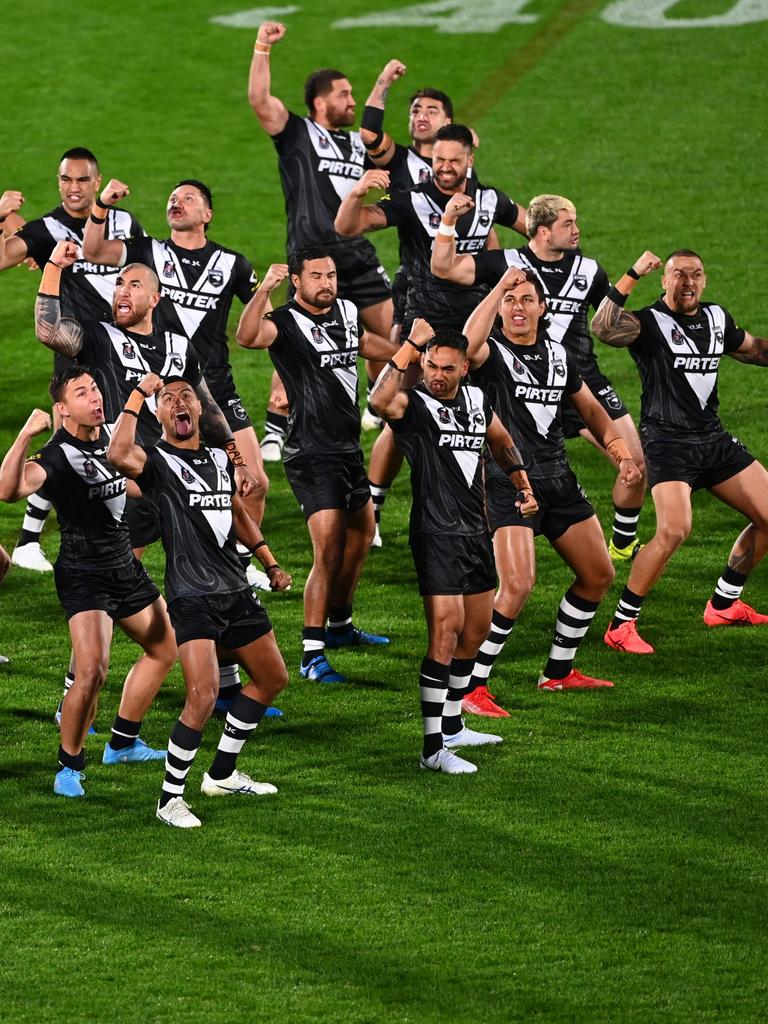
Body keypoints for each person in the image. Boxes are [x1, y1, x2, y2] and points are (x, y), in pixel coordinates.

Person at [35, 241, 259, 720]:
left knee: (219, 575)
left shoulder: (179, 346)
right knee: (113, 584)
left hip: (182, 483)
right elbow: (48, 329)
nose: (121, 291)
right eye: (117, 284)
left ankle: (224, 684)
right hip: (131, 482)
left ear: (155, 297)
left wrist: (236, 457)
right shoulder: (98, 338)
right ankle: (76, 692)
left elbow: (207, 405)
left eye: (133, 284)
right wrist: (54, 266)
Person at [107, 373, 291, 829]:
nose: (178, 404)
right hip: (192, 597)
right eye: (168, 400)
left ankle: (222, 774)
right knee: (203, 697)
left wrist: (268, 561)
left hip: (235, 589)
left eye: (186, 396)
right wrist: (136, 396)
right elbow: (116, 453)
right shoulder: (155, 463)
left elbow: (235, 512)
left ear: (198, 410)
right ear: (161, 415)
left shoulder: (215, 457)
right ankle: (169, 799)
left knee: (272, 679)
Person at [460, 268, 643, 712]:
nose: (517, 307)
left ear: (544, 309)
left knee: (599, 574)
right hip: (508, 483)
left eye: (526, 299)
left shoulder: (560, 356)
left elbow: (594, 414)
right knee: (518, 585)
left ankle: (557, 674)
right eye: (510, 300)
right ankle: (470, 687)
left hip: (558, 480)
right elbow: (467, 342)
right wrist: (499, 286)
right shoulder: (490, 355)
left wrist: (620, 455)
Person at [335, 123, 527, 546]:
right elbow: (349, 226)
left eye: (453, 160)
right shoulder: (412, 200)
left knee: (481, 415)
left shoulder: (489, 199)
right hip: (424, 319)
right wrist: (356, 192)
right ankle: (376, 507)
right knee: (400, 415)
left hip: (476, 321)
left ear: (469, 161)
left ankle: (483, 511)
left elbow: (532, 228)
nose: (443, 167)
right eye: (438, 160)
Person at [431, 193, 647, 562]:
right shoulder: (506, 265)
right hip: (515, 378)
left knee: (635, 460)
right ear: (544, 231)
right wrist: (449, 219)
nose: (577, 230)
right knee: (505, 459)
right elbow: (445, 268)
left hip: (575, 378)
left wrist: (633, 282)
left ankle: (623, 541)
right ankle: (488, 535)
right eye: (568, 224)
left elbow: (606, 323)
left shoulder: (589, 271)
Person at [0, 368, 177, 797]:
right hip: (84, 574)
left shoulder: (109, 441)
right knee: (93, 671)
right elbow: (9, 490)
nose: (95, 397)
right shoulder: (57, 456)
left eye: (95, 388)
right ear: (63, 408)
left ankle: (123, 743)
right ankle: (69, 766)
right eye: (82, 393)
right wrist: (25, 433)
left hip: (124, 567)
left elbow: (131, 485)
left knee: (165, 648)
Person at [370, 322, 538, 772]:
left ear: (465, 367)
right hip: (435, 534)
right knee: (445, 633)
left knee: (475, 631)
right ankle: (431, 750)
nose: (437, 374)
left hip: (475, 532)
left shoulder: (479, 401)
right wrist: (408, 347)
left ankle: (453, 724)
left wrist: (523, 486)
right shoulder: (413, 405)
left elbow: (501, 442)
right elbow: (378, 401)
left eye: (447, 367)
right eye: (431, 365)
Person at [592, 249, 768, 653]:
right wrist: (633, 272)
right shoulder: (649, 324)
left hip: (714, 440)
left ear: (704, 281)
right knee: (674, 530)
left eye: (696, 274)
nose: (687, 282)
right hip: (668, 443)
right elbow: (603, 327)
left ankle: (723, 603)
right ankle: (621, 625)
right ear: (664, 281)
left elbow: (754, 349)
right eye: (678, 274)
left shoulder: (716, 318)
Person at [236, 248, 396, 683]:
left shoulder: (345, 310)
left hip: (347, 450)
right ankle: (311, 654)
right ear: (297, 281)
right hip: (310, 453)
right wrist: (264, 288)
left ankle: (340, 626)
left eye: (331, 275)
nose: (327, 283)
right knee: (327, 551)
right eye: (317, 276)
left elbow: (364, 344)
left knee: (361, 536)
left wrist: (405, 352)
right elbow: (247, 337)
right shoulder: (285, 323)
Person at [81, 176, 270, 544]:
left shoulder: (234, 263)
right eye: (172, 198)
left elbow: (263, 328)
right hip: (165, 397)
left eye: (187, 198)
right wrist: (101, 205)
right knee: (155, 491)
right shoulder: (148, 252)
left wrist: (262, 292)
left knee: (253, 483)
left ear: (207, 213)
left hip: (215, 389)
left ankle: (242, 565)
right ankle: (128, 577)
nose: (176, 202)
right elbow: (93, 250)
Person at [247, 21, 394, 457]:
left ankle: (379, 405)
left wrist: (384, 86)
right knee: (296, 338)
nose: (351, 101)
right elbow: (259, 99)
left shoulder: (357, 145)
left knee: (388, 335)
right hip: (311, 259)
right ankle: (276, 428)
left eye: (353, 95)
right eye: (344, 94)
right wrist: (262, 46)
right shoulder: (296, 134)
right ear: (319, 101)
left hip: (357, 257)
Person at [0, 150, 146, 572]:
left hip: (123, 348)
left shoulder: (124, 223)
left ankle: (115, 526)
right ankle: (31, 539)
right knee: (70, 445)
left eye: (82, 180)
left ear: (96, 182)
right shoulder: (47, 228)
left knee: (114, 444)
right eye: (66, 180)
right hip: (76, 351)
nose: (73, 188)